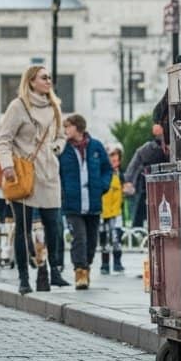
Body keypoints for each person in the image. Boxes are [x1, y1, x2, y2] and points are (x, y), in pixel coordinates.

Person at [0, 65, 65, 294]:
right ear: (31, 81)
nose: (49, 81)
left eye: (50, 77)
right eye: (44, 77)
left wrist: (56, 147)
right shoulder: (18, 107)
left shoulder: (55, 106)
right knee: (23, 227)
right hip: (23, 173)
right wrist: (7, 166)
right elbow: (3, 140)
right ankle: (24, 277)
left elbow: (61, 136)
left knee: (53, 225)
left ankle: (54, 271)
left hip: (49, 173)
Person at [57, 114, 112, 290]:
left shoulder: (96, 146)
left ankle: (86, 266)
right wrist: (62, 192)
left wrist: (103, 186)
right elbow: (55, 172)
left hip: (94, 202)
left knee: (91, 241)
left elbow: (107, 169)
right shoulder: (63, 148)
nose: (65, 130)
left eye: (68, 127)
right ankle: (79, 271)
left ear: (78, 127)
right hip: (72, 204)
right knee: (79, 238)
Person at [122, 124, 169, 229]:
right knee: (140, 213)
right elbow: (133, 166)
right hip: (145, 187)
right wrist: (129, 180)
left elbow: (133, 166)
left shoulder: (150, 148)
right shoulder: (148, 148)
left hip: (159, 187)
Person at [99, 146, 125, 275]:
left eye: (116, 160)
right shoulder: (101, 173)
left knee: (116, 239)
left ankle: (117, 263)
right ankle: (104, 264)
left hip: (117, 212)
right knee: (104, 240)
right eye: (112, 159)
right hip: (103, 212)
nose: (114, 162)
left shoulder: (122, 175)